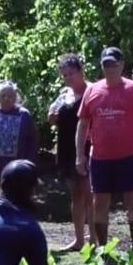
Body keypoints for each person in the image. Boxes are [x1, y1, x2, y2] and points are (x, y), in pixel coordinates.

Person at [75, 47, 133, 248]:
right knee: (100, 203)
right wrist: (80, 155)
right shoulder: (92, 90)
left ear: (121, 65)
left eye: (114, 64)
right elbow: (83, 124)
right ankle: (103, 250)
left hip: (130, 156)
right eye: (106, 65)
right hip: (101, 158)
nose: (110, 68)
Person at [48, 53, 94, 252]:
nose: (68, 78)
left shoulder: (92, 91)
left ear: (81, 71)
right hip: (66, 147)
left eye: (71, 74)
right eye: (65, 75)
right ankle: (78, 240)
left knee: (89, 193)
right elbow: (53, 115)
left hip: (87, 146)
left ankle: (94, 238)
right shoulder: (63, 94)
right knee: (75, 194)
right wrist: (52, 117)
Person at [0, 80, 38, 188]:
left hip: (18, 169)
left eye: (10, 96)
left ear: (15, 97)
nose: (6, 98)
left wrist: (28, 165)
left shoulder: (24, 115)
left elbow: (32, 143)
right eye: (3, 95)